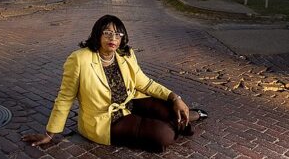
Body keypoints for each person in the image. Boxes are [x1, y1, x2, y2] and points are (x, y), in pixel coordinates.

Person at [22, 14, 207, 153]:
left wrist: (175, 97)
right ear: (97, 34)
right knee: (163, 135)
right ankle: (187, 118)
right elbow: (65, 98)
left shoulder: (125, 54)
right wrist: (50, 133)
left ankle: (186, 116)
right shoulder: (79, 59)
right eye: (108, 33)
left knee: (169, 108)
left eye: (118, 34)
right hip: (106, 119)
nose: (113, 38)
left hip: (131, 102)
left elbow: (145, 83)